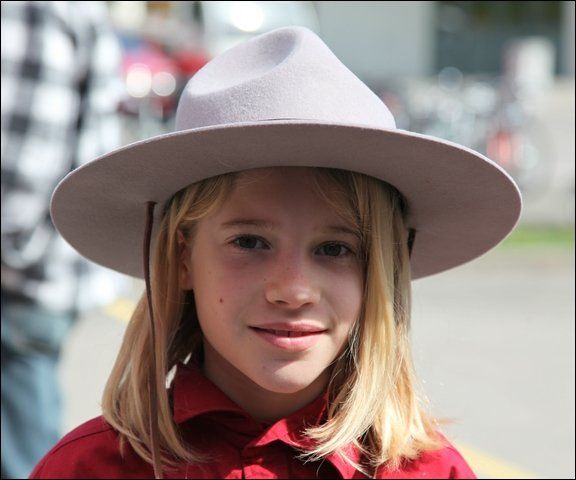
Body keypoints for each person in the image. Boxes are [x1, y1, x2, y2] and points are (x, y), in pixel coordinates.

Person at [29, 26, 522, 479]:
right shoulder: (89, 469)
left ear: (380, 270)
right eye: (249, 242)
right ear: (181, 259)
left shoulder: (430, 472)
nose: (293, 290)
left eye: (335, 248)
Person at [1, 2, 124, 478]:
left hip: (22, 275)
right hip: (40, 267)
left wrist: (12, 248)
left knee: (22, 453)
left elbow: (24, 157)